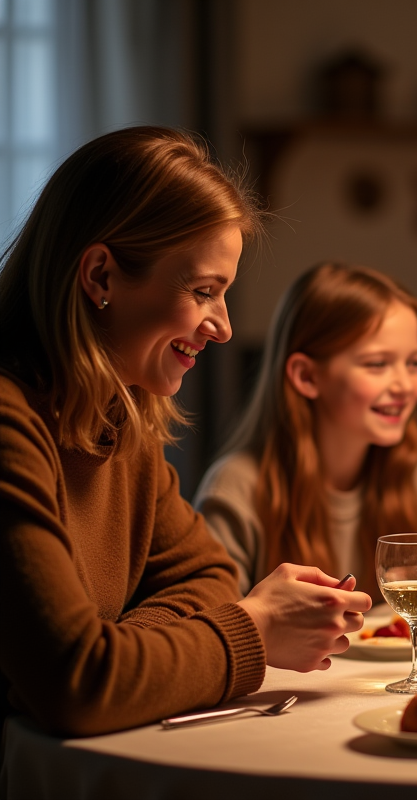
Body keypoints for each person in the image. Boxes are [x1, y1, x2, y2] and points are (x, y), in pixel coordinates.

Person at [0, 127, 371, 737]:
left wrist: (122, 650)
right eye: (203, 292)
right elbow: (79, 687)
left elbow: (210, 576)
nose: (222, 328)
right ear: (100, 277)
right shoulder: (10, 422)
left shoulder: (120, 421)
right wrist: (253, 630)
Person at [194, 261, 417, 620]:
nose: (405, 385)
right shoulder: (237, 488)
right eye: (377, 364)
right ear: (307, 376)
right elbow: (215, 633)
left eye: (414, 363)